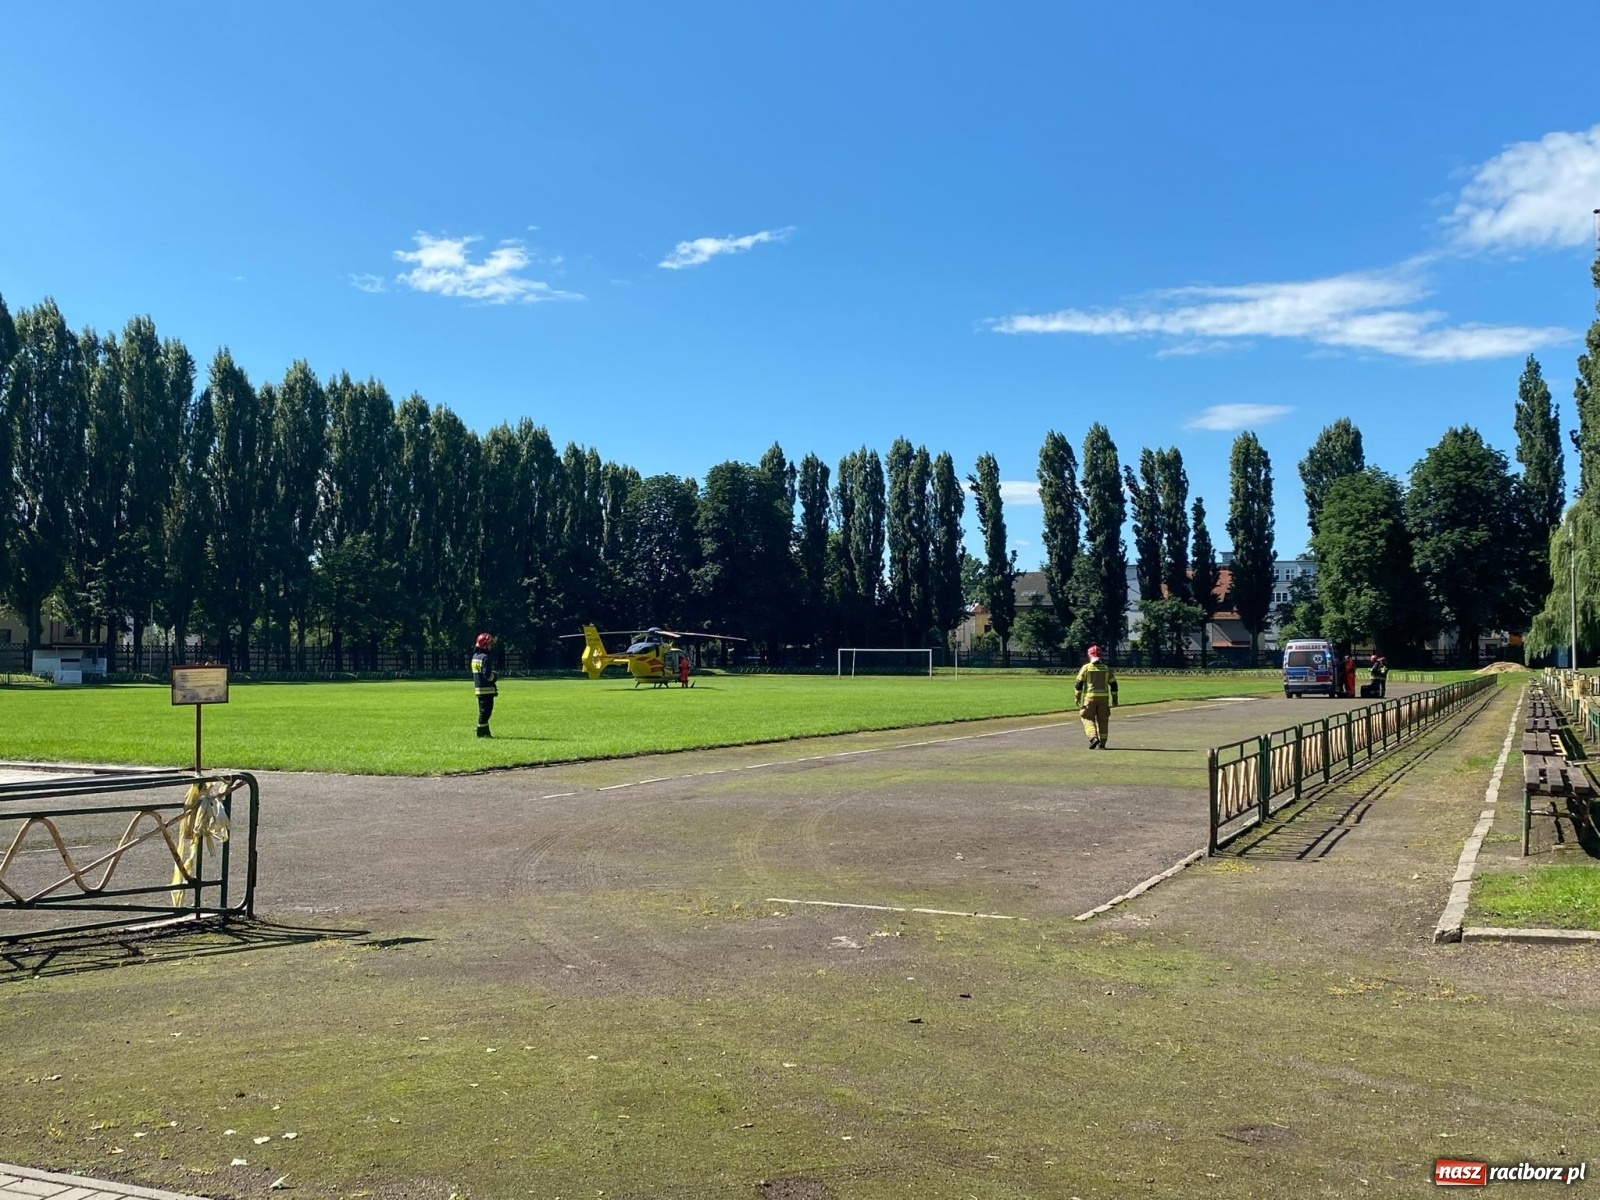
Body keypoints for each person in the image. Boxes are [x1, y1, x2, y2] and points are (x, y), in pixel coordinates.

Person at [1073, 644, 1119, 749]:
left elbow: (1078, 684)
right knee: (1103, 720)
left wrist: (1077, 697)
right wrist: (1115, 699)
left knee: (1087, 718)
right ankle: (1102, 743)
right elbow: (1114, 685)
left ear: (1089, 656)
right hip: (1104, 700)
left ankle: (1093, 738)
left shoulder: (1086, 668)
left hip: (1090, 698)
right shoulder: (1107, 669)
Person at [471, 632, 498, 738]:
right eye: (490, 644)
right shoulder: (485, 657)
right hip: (487, 689)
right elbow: (487, 675)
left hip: (479, 689)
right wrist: (495, 677)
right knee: (486, 712)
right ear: (485, 645)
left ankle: (485, 732)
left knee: (484, 711)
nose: (491, 647)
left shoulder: (475, 657)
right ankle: (481, 732)